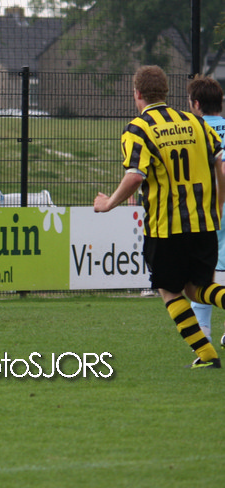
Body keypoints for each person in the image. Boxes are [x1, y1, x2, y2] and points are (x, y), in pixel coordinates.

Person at [94, 66, 225, 369]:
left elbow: (135, 176)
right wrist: (218, 203)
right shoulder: (195, 122)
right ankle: (206, 356)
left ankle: (206, 355)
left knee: (169, 290)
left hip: (167, 227)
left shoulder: (138, 129)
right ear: (166, 92)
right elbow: (220, 164)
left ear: (137, 94)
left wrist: (108, 204)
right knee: (196, 288)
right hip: (204, 222)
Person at [185, 76, 225, 342]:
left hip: (203, 207)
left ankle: (203, 334)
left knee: (200, 270)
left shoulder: (192, 131)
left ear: (196, 103)